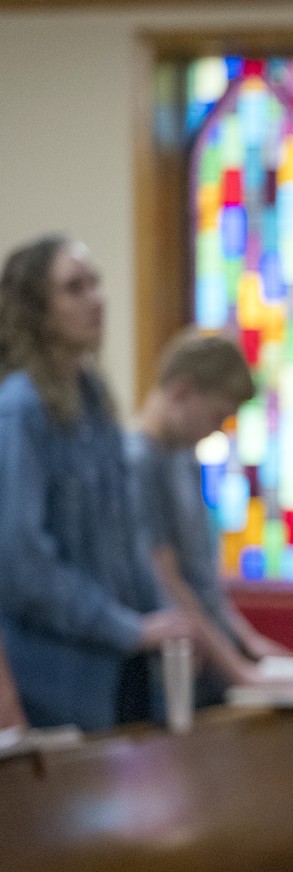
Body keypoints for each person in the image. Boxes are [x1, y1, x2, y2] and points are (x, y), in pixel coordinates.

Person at [0, 234, 197, 731]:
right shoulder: (20, 409)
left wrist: (167, 621)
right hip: (58, 676)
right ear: (36, 311)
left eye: (96, 284)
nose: (96, 299)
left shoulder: (93, 396)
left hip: (122, 665)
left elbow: (128, 539)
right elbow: (22, 560)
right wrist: (127, 628)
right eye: (74, 288)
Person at [126, 330, 293, 710]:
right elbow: (168, 581)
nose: (219, 429)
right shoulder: (137, 463)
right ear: (182, 392)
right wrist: (238, 671)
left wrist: (248, 643)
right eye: (218, 415)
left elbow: (203, 581)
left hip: (214, 655)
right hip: (179, 666)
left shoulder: (183, 457)